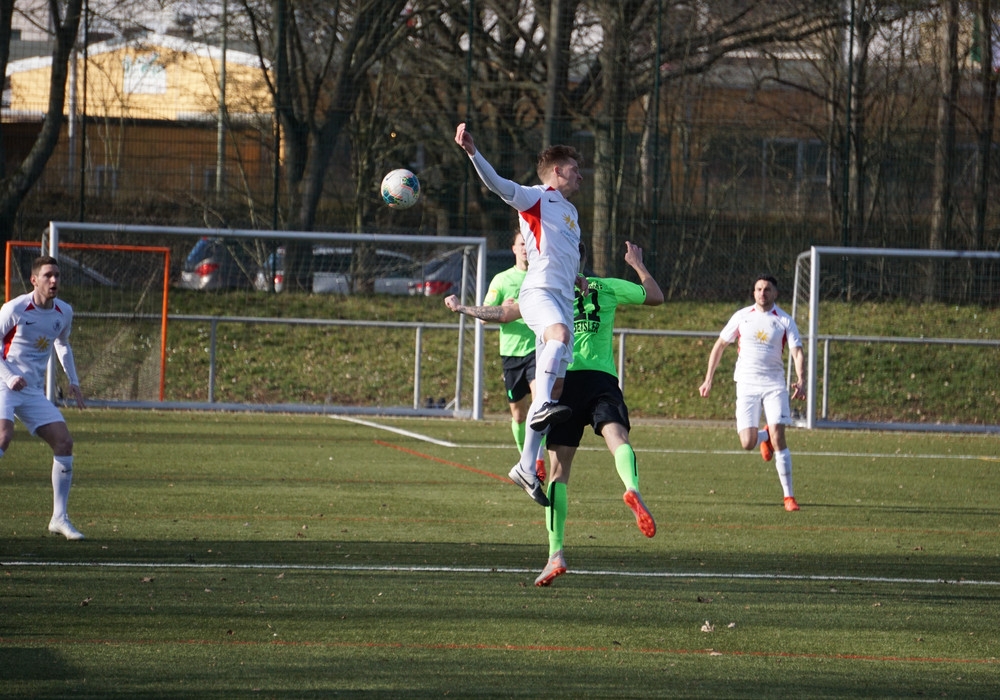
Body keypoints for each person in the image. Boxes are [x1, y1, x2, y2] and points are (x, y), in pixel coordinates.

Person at [446, 240, 663, 587]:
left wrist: (462, 309)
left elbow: (501, 314)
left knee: (559, 472)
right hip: (602, 380)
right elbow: (655, 295)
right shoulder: (603, 287)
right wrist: (636, 263)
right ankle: (632, 488)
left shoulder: (543, 294)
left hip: (561, 383)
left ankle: (555, 554)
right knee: (616, 436)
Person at [455, 123, 588, 508]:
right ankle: (541, 410)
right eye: (575, 168)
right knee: (558, 337)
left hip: (563, 297)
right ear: (558, 171)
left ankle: (526, 465)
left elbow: (566, 253)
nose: (580, 174)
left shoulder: (571, 212)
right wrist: (472, 152)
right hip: (538, 292)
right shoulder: (535, 197)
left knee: (555, 388)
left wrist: (578, 276)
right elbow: (497, 184)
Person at [698, 274, 805, 512]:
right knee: (747, 442)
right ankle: (763, 436)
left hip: (774, 385)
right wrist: (708, 379)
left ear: (775, 293)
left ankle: (789, 497)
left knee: (780, 437)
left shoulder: (785, 320)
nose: (762, 293)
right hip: (746, 384)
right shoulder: (742, 317)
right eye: (758, 289)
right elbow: (720, 346)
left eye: (767, 289)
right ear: (753, 292)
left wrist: (801, 379)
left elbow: (797, 351)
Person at [0, 255, 87, 539]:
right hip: (4, 383)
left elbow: (62, 343)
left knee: (64, 442)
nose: (54, 281)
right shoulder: (14, 309)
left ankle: (59, 518)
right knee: (3, 436)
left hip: (32, 390)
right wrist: (10, 376)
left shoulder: (64, 311)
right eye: (48, 275)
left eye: (58, 275)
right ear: (34, 280)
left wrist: (73, 380)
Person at [483, 232, 547, 480]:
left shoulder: (540, 278)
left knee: (541, 403)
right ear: (513, 248)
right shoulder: (502, 279)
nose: (525, 248)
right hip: (510, 354)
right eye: (521, 244)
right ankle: (525, 461)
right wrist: (502, 308)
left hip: (536, 349)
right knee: (519, 414)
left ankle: (537, 460)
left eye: (528, 244)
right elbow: (484, 314)